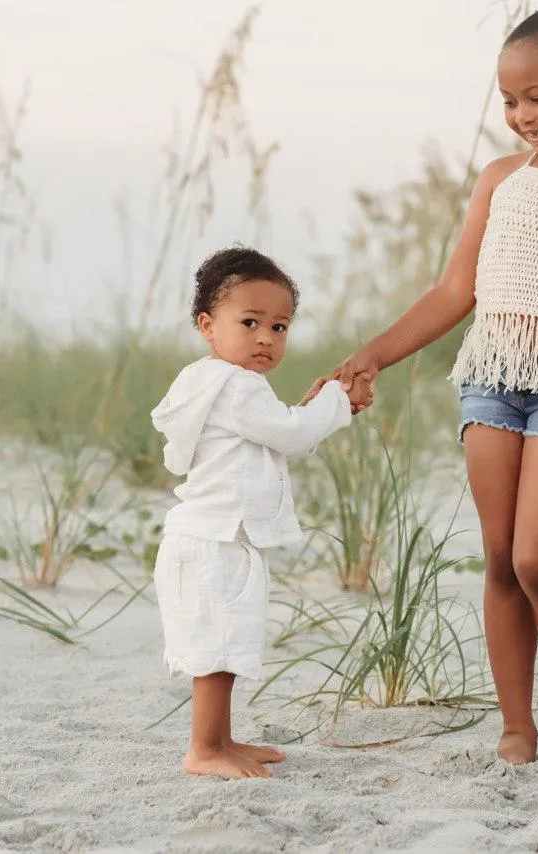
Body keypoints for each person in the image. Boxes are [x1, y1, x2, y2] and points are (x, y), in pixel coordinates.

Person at [307, 0, 538, 767]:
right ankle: (516, 725)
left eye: (537, 97)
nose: (521, 115)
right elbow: (452, 291)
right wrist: (372, 354)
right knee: (501, 558)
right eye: (508, 100)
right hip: (493, 381)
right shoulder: (501, 180)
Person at [150, 246, 372, 779]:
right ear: (207, 324)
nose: (265, 338)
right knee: (216, 648)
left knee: (224, 643)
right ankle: (204, 749)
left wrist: (316, 405)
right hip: (214, 539)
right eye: (248, 322)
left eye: (279, 326)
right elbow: (291, 434)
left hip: (214, 536)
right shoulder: (236, 385)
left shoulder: (209, 380)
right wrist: (338, 402)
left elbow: (274, 433)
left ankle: (221, 739)